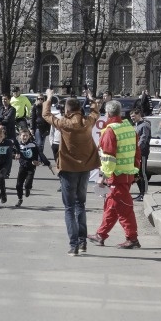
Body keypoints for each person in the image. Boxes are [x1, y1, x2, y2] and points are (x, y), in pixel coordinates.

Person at [42, 88, 103, 255]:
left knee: (69, 207)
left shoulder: (64, 123)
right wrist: (91, 98)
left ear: (67, 110)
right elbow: (96, 110)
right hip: (84, 169)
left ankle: (73, 244)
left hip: (68, 169)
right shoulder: (87, 122)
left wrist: (49, 97)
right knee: (80, 205)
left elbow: (46, 115)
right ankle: (83, 242)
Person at [87, 100, 141, 249]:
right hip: (127, 174)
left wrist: (102, 176)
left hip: (116, 175)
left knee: (124, 208)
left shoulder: (110, 130)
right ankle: (101, 235)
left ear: (108, 113)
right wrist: (135, 171)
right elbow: (137, 152)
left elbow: (108, 158)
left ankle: (132, 239)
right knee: (112, 206)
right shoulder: (129, 127)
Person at [14, 127, 44, 204]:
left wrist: (38, 161)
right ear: (20, 136)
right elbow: (12, 154)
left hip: (31, 167)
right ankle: (20, 199)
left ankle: (27, 189)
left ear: (29, 136)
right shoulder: (18, 146)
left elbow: (39, 154)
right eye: (23, 135)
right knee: (18, 185)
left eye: (27, 135)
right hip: (22, 167)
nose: (25, 137)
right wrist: (15, 156)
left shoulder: (33, 145)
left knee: (28, 183)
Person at [130, 109, 151, 202]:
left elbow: (143, 140)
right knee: (136, 173)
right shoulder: (135, 126)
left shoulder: (145, 125)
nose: (132, 119)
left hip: (142, 153)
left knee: (142, 173)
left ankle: (144, 194)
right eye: (131, 117)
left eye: (134, 116)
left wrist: (136, 149)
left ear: (139, 115)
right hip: (135, 153)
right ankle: (140, 193)